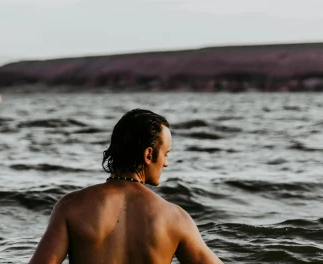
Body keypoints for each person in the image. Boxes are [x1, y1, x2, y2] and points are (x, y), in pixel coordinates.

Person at [28, 108, 223, 264]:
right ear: (148, 155)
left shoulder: (71, 207)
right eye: (166, 154)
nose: (166, 163)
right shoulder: (175, 218)